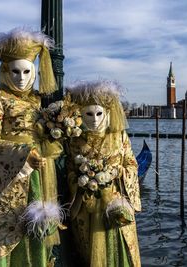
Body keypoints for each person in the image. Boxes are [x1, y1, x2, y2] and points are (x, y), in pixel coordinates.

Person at [0, 28, 62, 266]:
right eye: (15, 71)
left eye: (26, 71)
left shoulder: (35, 99)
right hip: (8, 179)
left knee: (36, 227)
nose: (21, 78)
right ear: (4, 70)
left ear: (34, 71)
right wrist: (24, 154)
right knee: (7, 232)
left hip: (38, 175)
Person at [66, 80, 142, 267]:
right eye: (89, 114)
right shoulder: (74, 140)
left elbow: (132, 164)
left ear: (107, 113)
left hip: (116, 205)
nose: (94, 119)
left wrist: (117, 172)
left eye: (99, 113)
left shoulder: (119, 136)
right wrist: (80, 181)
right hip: (86, 208)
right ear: (81, 114)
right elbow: (68, 170)